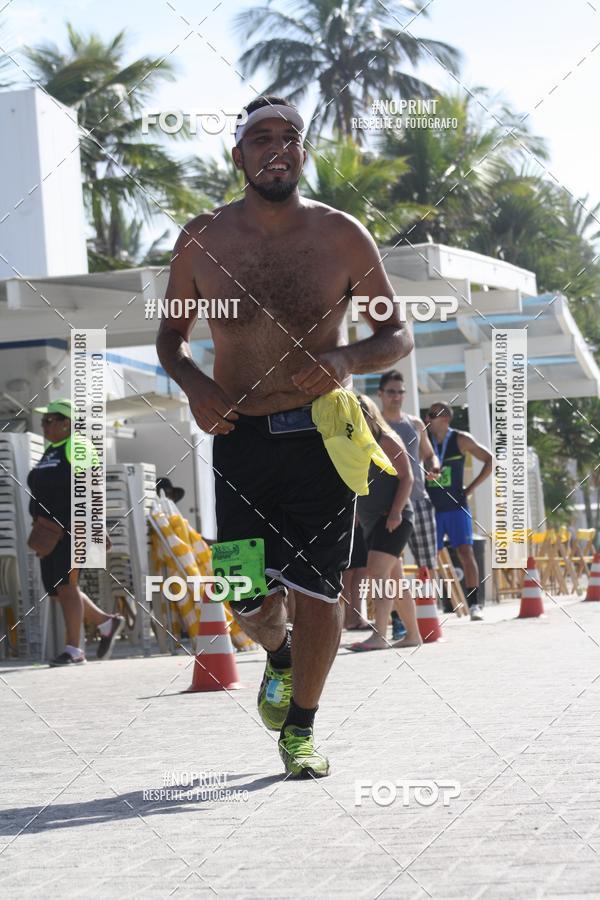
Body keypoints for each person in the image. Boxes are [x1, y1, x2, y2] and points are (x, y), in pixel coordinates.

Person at [156, 95, 413, 778]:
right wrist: (195, 386)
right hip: (238, 437)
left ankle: (300, 731)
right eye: (260, 137)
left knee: (318, 589)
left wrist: (346, 361)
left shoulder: (341, 236)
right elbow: (171, 339)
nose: (277, 148)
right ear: (236, 154)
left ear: (304, 153)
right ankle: (277, 657)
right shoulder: (202, 239)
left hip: (320, 437)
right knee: (243, 594)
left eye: (290, 137)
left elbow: (396, 334)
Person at [27, 399, 124, 665]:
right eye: (43, 421)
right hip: (48, 532)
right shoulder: (51, 451)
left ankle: (74, 649)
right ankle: (106, 622)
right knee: (57, 589)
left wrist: (97, 525)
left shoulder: (78, 446)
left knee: (67, 586)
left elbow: (92, 488)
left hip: (73, 528)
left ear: (67, 423)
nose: (44, 425)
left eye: (50, 420)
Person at [348, 394, 421, 651]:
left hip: (392, 520)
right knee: (395, 580)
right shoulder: (356, 443)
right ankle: (413, 634)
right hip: (370, 521)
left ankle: (380, 634)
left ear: (370, 414)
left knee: (377, 573)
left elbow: (408, 477)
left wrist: (395, 512)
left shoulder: (385, 439)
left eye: (359, 413)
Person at [424, 402, 493, 621]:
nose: (427, 418)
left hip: (456, 506)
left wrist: (470, 488)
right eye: (427, 414)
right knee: (429, 558)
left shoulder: (461, 439)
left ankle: (474, 605)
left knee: (466, 553)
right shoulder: (423, 440)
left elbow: (490, 460)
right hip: (432, 507)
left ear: (446, 418)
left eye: (432, 415)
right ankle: (429, 605)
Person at [378, 370, 440, 586]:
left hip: (418, 499)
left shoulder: (415, 424)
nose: (396, 396)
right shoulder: (375, 426)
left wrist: (434, 467)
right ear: (380, 394)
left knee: (427, 563)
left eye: (400, 392)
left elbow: (430, 454)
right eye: (391, 392)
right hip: (385, 505)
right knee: (388, 564)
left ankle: (429, 612)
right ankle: (396, 617)